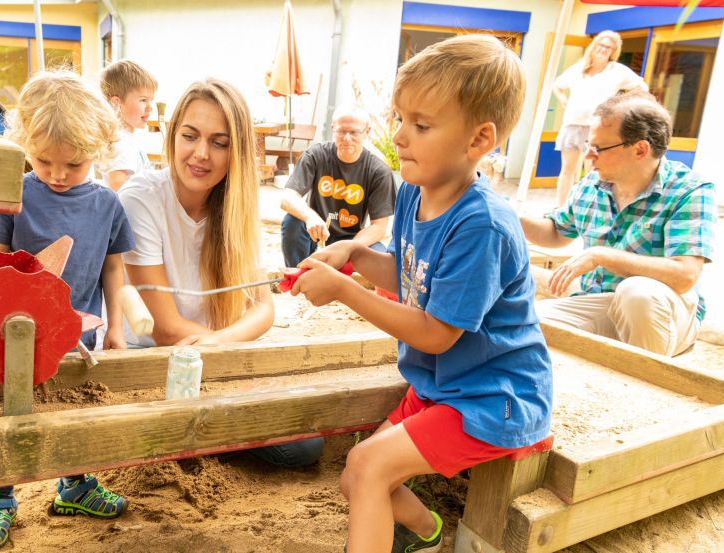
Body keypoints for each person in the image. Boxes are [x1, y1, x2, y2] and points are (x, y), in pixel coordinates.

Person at [290, 35, 553, 552]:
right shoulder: (413, 190)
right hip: (442, 388)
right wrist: (352, 255)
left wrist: (344, 289)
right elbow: (410, 275)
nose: (400, 137)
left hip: (494, 397)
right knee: (357, 475)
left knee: (366, 466)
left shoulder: (483, 225)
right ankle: (429, 534)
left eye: (421, 125)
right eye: (399, 119)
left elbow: (435, 333)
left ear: (478, 140)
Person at [118, 78, 324, 469]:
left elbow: (263, 309)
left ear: (237, 151)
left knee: (306, 445)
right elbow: (164, 329)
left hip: (210, 355)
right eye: (190, 136)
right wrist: (224, 348)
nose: (201, 154)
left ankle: (196, 438)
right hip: (148, 361)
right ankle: (191, 438)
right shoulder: (140, 198)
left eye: (220, 142)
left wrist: (218, 345)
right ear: (172, 135)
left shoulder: (234, 205)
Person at [0, 70, 134, 550]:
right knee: (14, 411)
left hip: (80, 333)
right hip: (14, 335)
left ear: (99, 151)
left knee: (73, 409)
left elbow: (113, 270)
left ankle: (75, 484)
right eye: (43, 161)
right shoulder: (13, 194)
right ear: (24, 144)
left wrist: (117, 330)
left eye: (74, 164)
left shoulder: (108, 205)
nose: (58, 175)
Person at [520, 90, 716, 357]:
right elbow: (556, 232)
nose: (588, 155)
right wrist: (508, 217)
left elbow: (685, 276)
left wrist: (602, 256)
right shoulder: (593, 183)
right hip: (597, 302)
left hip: (663, 311)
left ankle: (648, 383)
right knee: (524, 328)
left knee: (637, 293)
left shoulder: (689, 190)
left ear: (640, 149)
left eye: (598, 147)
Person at [279, 105, 396, 268]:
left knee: (383, 259)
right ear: (333, 129)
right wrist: (310, 217)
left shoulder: (379, 171)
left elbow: (379, 227)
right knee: (292, 221)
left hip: (353, 238)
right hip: (316, 233)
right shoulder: (315, 155)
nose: (347, 138)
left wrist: (347, 248)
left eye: (354, 132)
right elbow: (287, 197)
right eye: (341, 131)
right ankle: (298, 275)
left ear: (367, 132)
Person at [552, 30, 647, 206]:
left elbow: (642, 87)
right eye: (601, 45)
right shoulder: (579, 68)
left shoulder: (617, 71)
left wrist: (621, 106)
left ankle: (589, 208)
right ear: (594, 46)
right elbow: (557, 85)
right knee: (567, 170)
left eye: (609, 47)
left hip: (598, 129)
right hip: (573, 124)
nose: (604, 49)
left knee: (594, 172)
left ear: (613, 51)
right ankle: (561, 208)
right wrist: (564, 100)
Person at [98, 59, 158, 191]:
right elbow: (117, 186)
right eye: (143, 100)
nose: (150, 107)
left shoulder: (128, 137)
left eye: (151, 100)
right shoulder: (120, 142)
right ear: (116, 104)